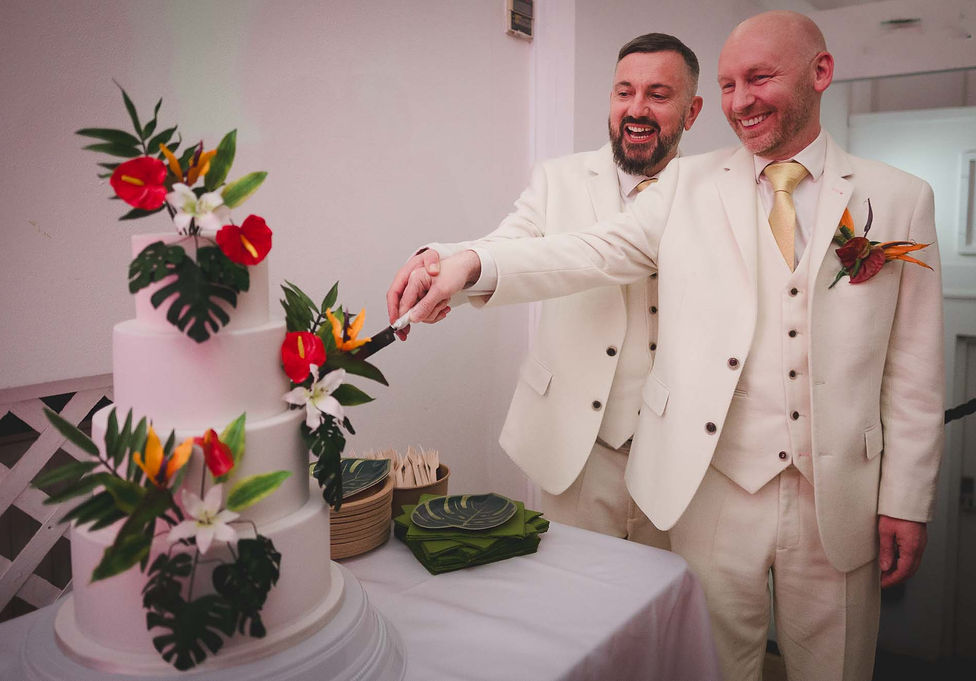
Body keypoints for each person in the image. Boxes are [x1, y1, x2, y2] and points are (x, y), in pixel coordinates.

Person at [389, 11, 943, 681]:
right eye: (731, 83)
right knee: (708, 667)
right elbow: (589, 249)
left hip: (840, 500)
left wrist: (905, 498)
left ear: (820, 73)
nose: (742, 101)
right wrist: (467, 262)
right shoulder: (688, 183)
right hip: (716, 491)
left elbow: (912, 367)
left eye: (759, 78)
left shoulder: (900, 199)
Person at [387, 34, 703, 548]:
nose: (636, 109)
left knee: (666, 603)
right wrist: (440, 261)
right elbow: (510, 244)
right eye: (624, 92)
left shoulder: (710, 190)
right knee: (574, 599)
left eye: (658, 95)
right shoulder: (558, 178)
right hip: (575, 445)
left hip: (676, 452)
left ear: (692, 112)